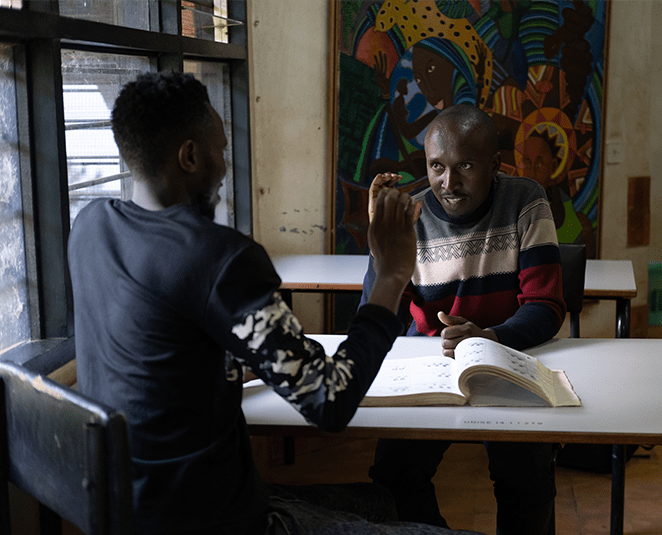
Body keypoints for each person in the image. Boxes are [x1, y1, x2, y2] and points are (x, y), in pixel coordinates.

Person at [68, 71, 485, 535]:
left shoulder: (90, 227)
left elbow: (162, 339)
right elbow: (330, 400)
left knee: (391, 497)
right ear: (189, 156)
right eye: (220, 150)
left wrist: (235, 364)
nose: (225, 167)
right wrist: (390, 275)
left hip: (131, 508)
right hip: (217, 520)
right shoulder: (218, 257)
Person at [360, 104, 567, 535]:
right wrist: (381, 251)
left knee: (527, 481)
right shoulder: (410, 216)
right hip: (430, 366)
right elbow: (379, 316)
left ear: (494, 165)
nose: (448, 183)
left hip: (509, 359)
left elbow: (546, 306)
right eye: (436, 166)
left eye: (465, 166)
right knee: (394, 476)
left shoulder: (526, 201)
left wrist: (489, 338)